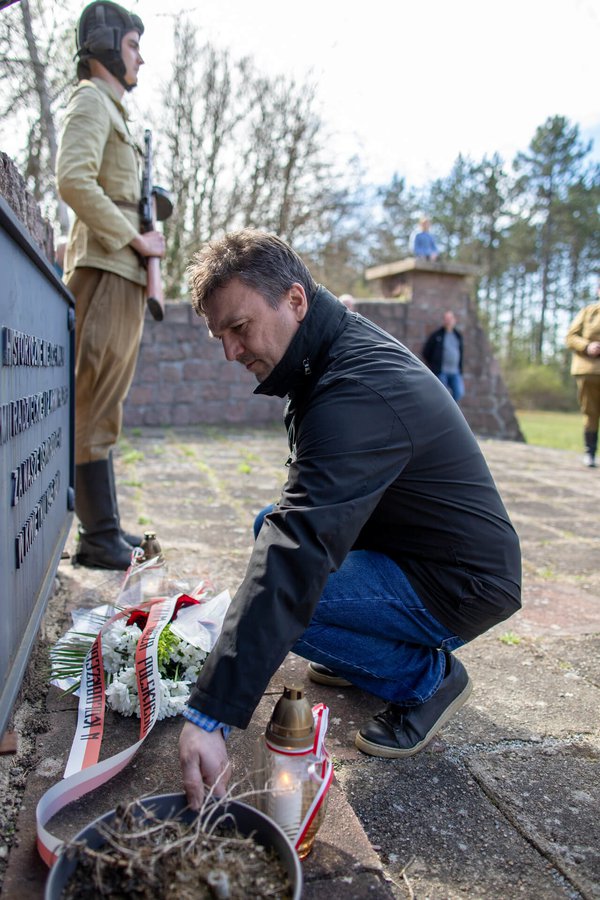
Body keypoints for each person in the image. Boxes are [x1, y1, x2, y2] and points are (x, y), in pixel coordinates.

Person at [178, 230, 521, 808]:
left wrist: (210, 713)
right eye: (220, 337)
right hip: (412, 547)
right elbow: (296, 522)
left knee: (295, 602)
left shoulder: (354, 386)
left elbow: (299, 548)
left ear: (294, 300)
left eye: (238, 328)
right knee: (267, 530)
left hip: (461, 582)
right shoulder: (327, 351)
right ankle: (365, 646)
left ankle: (428, 680)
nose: (230, 352)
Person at [56, 1, 165, 569]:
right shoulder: (92, 100)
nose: (140, 58)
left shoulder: (114, 108)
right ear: (104, 45)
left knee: (106, 405)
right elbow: (72, 179)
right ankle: (97, 537)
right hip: (104, 267)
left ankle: (105, 529)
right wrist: (134, 239)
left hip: (122, 272)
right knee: (93, 399)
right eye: (132, 45)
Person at [565, 286, 600, 468]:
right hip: (589, 371)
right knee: (590, 412)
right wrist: (587, 346)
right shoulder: (588, 312)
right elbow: (570, 337)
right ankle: (590, 452)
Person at [421, 311, 465, 403]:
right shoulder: (437, 335)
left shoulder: (458, 336)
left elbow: (460, 353)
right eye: (446, 319)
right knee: (443, 395)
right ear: (444, 321)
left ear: (454, 320)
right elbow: (426, 352)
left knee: (459, 392)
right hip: (441, 371)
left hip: (455, 371)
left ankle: (450, 408)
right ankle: (445, 409)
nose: (448, 321)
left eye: (450, 319)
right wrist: (434, 365)